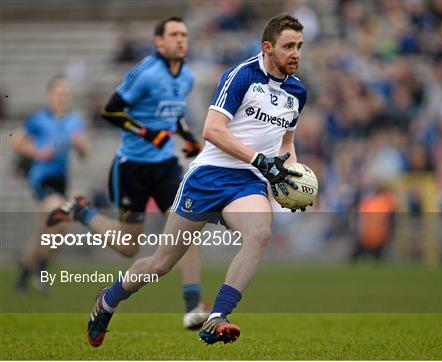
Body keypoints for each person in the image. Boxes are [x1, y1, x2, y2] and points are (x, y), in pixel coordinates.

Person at [85, 14, 307, 347]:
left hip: (247, 182)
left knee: (259, 232)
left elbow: (286, 143)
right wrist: (261, 160)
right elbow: (212, 131)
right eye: (288, 46)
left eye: (300, 46)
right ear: (267, 47)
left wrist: (293, 177)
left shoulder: (297, 92)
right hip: (208, 176)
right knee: (160, 263)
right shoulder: (241, 76)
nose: (295, 53)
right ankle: (108, 301)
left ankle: (218, 316)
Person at [47, 17, 209, 330]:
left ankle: (192, 307)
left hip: (166, 168)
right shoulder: (146, 73)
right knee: (128, 247)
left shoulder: (186, 78)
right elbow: (110, 109)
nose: (181, 40)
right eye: (173, 35)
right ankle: (81, 212)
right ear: (159, 42)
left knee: (186, 230)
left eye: (184, 35)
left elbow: (172, 115)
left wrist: (188, 137)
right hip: (131, 168)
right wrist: (147, 134)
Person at [11, 76, 89, 292]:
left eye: (66, 94)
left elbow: (84, 153)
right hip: (41, 177)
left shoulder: (74, 121)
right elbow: (16, 141)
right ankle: (42, 269)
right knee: (58, 214)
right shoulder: (38, 119)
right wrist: (37, 152)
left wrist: (80, 145)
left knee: (47, 229)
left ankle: (25, 275)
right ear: (50, 95)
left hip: (61, 179)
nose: (63, 97)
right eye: (59, 93)